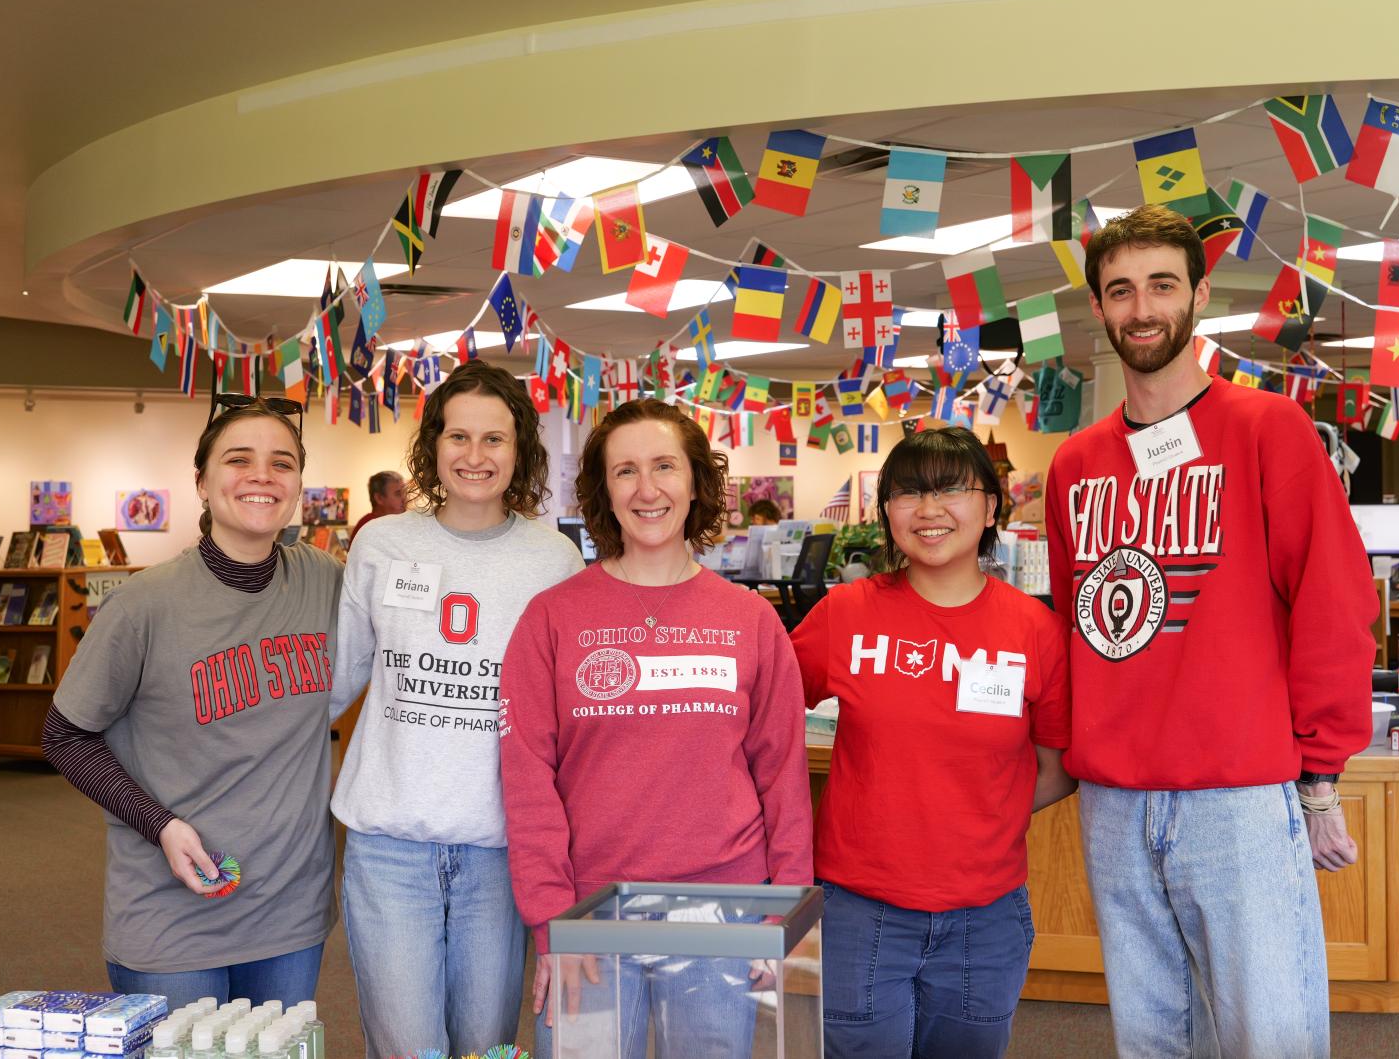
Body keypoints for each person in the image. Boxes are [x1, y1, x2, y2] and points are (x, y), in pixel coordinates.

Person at [1044, 204, 1378, 1059]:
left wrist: (1321, 775)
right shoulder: (1076, 465)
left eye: (1162, 284)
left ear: (1198, 296)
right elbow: (1069, 629)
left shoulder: (1269, 430)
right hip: (1115, 803)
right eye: (1121, 290)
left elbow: (1334, 606)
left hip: (1237, 796)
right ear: (1099, 309)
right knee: (1150, 1041)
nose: (1142, 307)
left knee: (1269, 1039)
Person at [499, 398, 814, 1059]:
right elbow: (528, 777)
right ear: (602, 490)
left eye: (665, 466)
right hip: (590, 909)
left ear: (696, 482)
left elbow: (783, 774)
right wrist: (553, 920)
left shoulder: (751, 621)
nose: (647, 489)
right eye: (626, 471)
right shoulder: (552, 618)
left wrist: (782, 912)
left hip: (720, 909)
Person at [42, 395, 342, 1009]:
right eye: (239, 459)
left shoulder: (326, 580)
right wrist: (162, 826)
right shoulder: (144, 604)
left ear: (298, 487)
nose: (263, 476)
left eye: (282, 463)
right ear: (202, 482)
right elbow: (65, 735)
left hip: (289, 913)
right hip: (171, 916)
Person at [791, 426, 1074, 1059]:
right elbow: (762, 718)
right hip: (859, 911)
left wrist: (974, 820)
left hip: (986, 915)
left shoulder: (1036, 631)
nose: (929, 509)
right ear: (886, 510)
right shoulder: (847, 614)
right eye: (908, 493)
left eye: (951, 490)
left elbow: (1058, 766)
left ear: (991, 507)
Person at [329, 360, 583, 1059]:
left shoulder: (554, 559)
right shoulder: (382, 543)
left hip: (499, 847)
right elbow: (337, 677)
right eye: (458, 436)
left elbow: (568, 713)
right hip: (389, 846)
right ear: (433, 445)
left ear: (521, 449)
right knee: (408, 1047)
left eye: (494, 439)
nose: (475, 456)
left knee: (485, 1045)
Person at [352, 470, 406, 535]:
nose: (404, 498)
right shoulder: (368, 527)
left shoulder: (394, 522)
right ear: (379, 498)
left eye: (405, 492)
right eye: (398, 494)